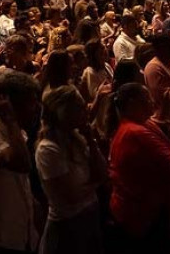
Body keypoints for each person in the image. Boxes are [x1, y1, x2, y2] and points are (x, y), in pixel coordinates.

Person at [108, 83, 170, 254]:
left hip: (132, 211)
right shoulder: (135, 132)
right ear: (132, 104)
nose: (152, 101)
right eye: (147, 98)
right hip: (142, 216)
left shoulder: (136, 126)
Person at [0, 70, 41, 254]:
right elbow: (22, 164)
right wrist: (10, 118)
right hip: (2, 237)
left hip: (24, 233)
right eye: (31, 102)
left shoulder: (19, 134)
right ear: (12, 106)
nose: (36, 107)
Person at [35, 85, 105, 254]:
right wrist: (97, 183)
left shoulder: (77, 138)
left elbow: (102, 170)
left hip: (89, 218)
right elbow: (71, 196)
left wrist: (90, 140)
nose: (86, 110)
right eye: (79, 107)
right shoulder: (48, 149)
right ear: (64, 112)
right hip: (68, 227)